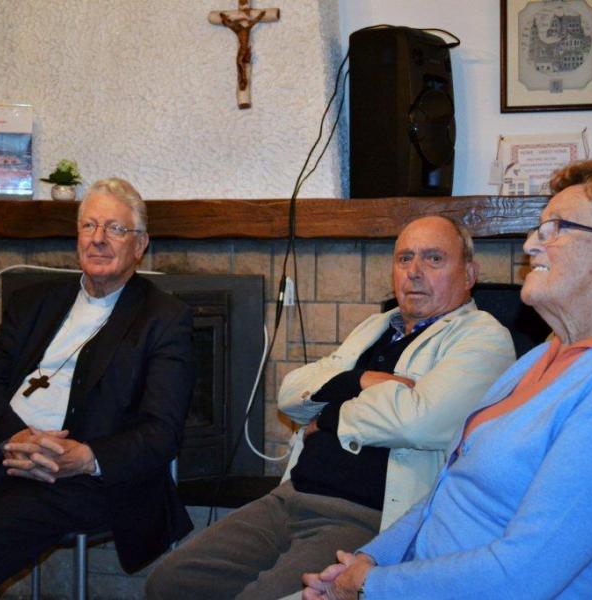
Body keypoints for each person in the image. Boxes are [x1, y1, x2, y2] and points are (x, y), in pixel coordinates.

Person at [303, 160, 592, 599]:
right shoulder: (550, 353)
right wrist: (369, 560)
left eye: (556, 228)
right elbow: (449, 489)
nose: (531, 244)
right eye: (538, 229)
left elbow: (520, 577)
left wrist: (369, 585)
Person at [145, 216, 515, 599]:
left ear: (469, 273)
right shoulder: (375, 327)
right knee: (171, 582)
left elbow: (418, 420)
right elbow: (292, 393)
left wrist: (331, 416)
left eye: (434, 259)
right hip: (290, 498)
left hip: (362, 516)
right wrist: (357, 381)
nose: (415, 272)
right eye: (404, 259)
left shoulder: (484, 337)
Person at [0, 178, 195, 599]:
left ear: (140, 245)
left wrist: (83, 458)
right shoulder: (34, 302)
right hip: (2, 454)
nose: (98, 239)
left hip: (81, 478)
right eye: (89, 226)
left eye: (115, 229)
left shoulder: (163, 318)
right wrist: (16, 438)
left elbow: (162, 431)